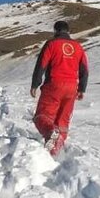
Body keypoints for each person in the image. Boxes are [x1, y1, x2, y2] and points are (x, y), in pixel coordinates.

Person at [30, 21, 89, 156]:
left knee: (42, 116)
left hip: (54, 84)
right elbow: (84, 69)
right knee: (62, 121)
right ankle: (54, 153)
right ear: (68, 31)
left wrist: (35, 84)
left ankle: (50, 133)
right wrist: (82, 88)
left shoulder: (52, 44)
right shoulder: (78, 47)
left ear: (55, 31)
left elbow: (42, 64)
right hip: (71, 87)